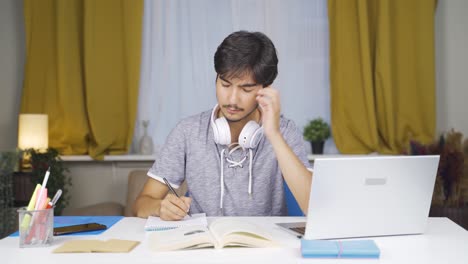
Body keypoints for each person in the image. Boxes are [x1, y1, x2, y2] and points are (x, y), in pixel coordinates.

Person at [134, 31, 313, 220]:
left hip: (265, 246)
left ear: (266, 89)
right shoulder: (188, 131)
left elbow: (313, 207)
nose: (232, 100)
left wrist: (273, 135)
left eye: (246, 89)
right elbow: (141, 204)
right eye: (225, 85)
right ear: (216, 79)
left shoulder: (284, 131)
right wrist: (160, 207)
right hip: (203, 245)